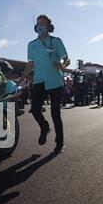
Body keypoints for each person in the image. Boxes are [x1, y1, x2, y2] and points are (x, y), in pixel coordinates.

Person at [21, 15, 70, 154]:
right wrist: (22, 78)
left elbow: (67, 58)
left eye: (43, 24)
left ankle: (59, 143)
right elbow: (30, 64)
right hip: (39, 81)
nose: (40, 26)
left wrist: (63, 65)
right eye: (38, 24)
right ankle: (44, 127)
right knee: (35, 110)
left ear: (48, 26)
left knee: (56, 114)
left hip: (55, 81)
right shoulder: (32, 44)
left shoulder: (56, 41)